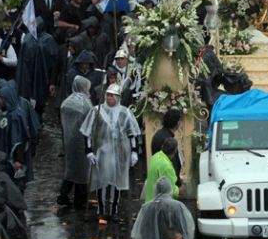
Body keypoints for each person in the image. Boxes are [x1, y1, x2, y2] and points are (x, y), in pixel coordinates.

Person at [80, 83, 141, 221]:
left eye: (112, 96)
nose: (109, 98)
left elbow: (132, 133)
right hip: (103, 150)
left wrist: (134, 152)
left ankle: (113, 209)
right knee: (102, 180)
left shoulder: (125, 113)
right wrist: (89, 151)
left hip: (120, 152)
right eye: (108, 95)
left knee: (116, 181)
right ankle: (101, 209)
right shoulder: (96, 111)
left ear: (118, 97)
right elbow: (88, 133)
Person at [0, 85, 41, 191]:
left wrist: (18, 160)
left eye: (1, 98)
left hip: (13, 160)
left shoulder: (16, 116)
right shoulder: (8, 113)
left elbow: (18, 139)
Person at [57, 76, 93, 209]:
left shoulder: (67, 102)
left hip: (68, 139)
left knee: (71, 168)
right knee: (82, 171)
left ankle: (63, 194)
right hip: (81, 141)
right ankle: (80, 199)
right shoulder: (86, 104)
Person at [15, 17, 58, 116]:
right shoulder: (27, 38)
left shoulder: (49, 39)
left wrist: (52, 82)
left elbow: (54, 62)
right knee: (25, 101)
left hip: (41, 75)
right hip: (27, 74)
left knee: (39, 103)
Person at [151, 109, 183, 187]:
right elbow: (172, 163)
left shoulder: (159, 134)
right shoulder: (167, 139)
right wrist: (178, 184)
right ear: (177, 123)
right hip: (167, 183)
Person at [145, 137, 181, 202]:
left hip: (150, 200)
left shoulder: (155, 156)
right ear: (175, 151)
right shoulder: (166, 166)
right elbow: (171, 190)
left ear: (162, 146)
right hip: (159, 205)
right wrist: (180, 190)